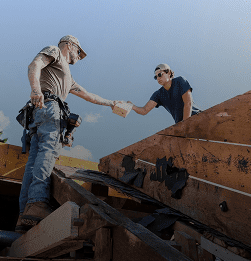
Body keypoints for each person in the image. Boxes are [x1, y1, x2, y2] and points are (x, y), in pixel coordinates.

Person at [16, 35, 118, 233]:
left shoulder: (68, 78)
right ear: (69, 45)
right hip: (48, 107)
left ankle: (24, 214)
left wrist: (112, 103)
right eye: (78, 52)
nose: (79, 57)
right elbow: (34, 65)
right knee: (48, 152)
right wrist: (35, 89)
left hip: (40, 113)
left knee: (35, 159)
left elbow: (89, 96)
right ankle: (37, 202)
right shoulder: (55, 52)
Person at [128, 63, 200, 123]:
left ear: (168, 73)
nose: (158, 78)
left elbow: (188, 102)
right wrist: (132, 106)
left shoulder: (180, 81)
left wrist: (185, 124)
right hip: (182, 126)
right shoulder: (158, 94)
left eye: (159, 75)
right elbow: (144, 110)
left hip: (198, 117)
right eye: (156, 77)